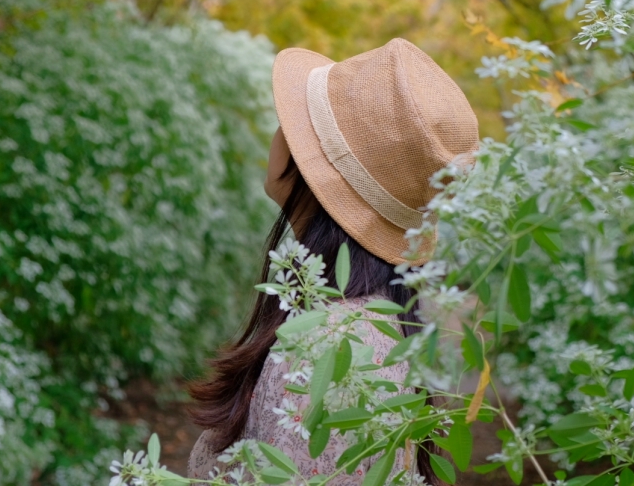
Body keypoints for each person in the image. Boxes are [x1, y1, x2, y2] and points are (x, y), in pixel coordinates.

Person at [188, 38, 479, 484]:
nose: (281, 131)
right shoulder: (369, 319)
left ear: (314, 170)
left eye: (297, 123)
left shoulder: (332, 344)